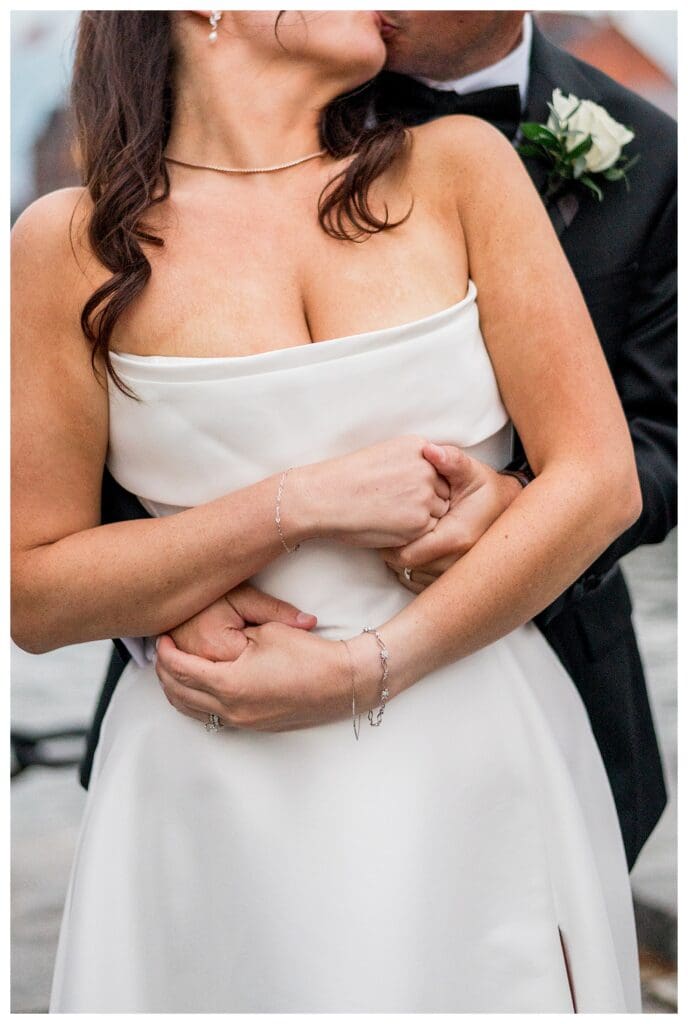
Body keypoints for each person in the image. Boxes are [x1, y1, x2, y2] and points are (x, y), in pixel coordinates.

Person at [11, 11, 643, 1012]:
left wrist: (368, 668)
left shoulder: (460, 168)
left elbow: (599, 479)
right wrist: (295, 505)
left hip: (470, 742)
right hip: (214, 771)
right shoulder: (67, 245)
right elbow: (33, 591)